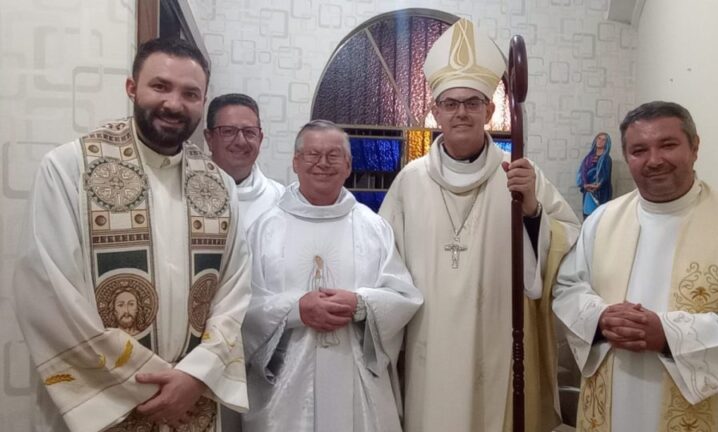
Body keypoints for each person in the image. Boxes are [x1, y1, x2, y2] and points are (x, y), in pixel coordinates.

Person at [13, 38, 252, 432]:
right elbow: (49, 291)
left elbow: (234, 291)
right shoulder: (70, 168)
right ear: (131, 88)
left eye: (190, 93)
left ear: (203, 101)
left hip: (191, 399)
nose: (174, 104)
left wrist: (196, 376)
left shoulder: (219, 185)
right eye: (160, 86)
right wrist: (140, 382)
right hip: (104, 405)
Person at [379, 19, 581, 432]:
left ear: (490, 111)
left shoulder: (520, 174)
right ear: (435, 111)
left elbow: (569, 245)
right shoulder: (409, 182)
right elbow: (383, 262)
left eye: (473, 103)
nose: (461, 112)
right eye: (451, 103)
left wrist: (532, 212)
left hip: (498, 336)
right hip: (428, 339)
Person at [552, 101, 718, 432]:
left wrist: (669, 334)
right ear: (627, 157)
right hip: (614, 403)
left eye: (668, 145)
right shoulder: (601, 220)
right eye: (639, 150)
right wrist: (600, 318)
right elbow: (568, 287)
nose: (654, 160)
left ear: (695, 147)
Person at [239, 119, 423, 431]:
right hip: (285, 391)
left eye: (333, 155)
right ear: (296, 162)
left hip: (357, 381)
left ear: (348, 165)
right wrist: (296, 310)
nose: (322, 163)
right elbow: (241, 304)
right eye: (312, 154)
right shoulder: (264, 228)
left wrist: (361, 304)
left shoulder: (372, 226)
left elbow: (403, 296)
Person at [204, 93, 285, 230]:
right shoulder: (187, 192)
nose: (240, 141)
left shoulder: (280, 199)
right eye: (228, 131)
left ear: (260, 139)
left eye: (249, 132)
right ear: (209, 139)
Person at [576, 132, 613, 219]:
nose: (600, 141)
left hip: (600, 194)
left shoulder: (606, 159)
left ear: (607, 143)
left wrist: (597, 185)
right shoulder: (588, 158)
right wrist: (585, 184)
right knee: (588, 217)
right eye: (599, 138)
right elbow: (583, 172)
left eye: (603, 140)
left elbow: (606, 177)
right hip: (588, 192)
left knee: (599, 218)